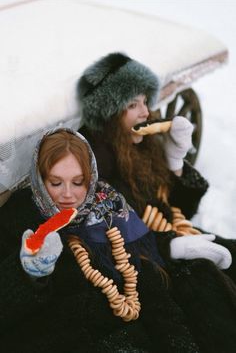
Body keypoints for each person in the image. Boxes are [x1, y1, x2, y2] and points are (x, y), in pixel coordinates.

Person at [77, 52, 236, 352]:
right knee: (207, 281)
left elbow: (180, 211)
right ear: (110, 112)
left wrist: (176, 161)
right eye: (133, 105)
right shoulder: (100, 166)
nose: (146, 114)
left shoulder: (140, 147)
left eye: (145, 102)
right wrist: (171, 245)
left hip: (177, 239)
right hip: (152, 266)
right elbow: (120, 237)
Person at [0, 127, 205, 353]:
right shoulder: (18, 222)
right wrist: (28, 275)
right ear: (39, 180)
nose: (68, 195)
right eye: (56, 183)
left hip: (128, 334)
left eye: (78, 182)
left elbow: (146, 280)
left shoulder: (109, 209)